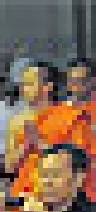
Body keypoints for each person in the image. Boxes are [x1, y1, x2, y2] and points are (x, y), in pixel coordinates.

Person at [7, 62, 89, 198]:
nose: (22, 89)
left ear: (47, 87)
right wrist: (25, 144)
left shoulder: (70, 116)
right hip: (24, 194)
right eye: (22, 84)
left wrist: (38, 142)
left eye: (28, 84)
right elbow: (9, 167)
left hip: (58, 196)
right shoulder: (17, 121)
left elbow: (77, 161)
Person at [64, 58, 94, 199]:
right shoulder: (58, 112)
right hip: (68, 187)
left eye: (80, 81)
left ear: (92, 81)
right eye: (71, 81)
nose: (74, 86)